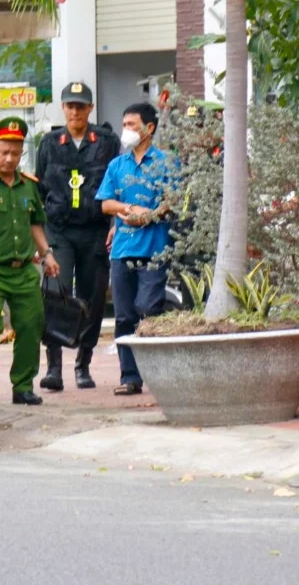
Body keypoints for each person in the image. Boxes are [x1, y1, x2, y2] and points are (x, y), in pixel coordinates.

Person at [34, 81, 121, 391]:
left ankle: (83, 364)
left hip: (94, 230)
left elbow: (116, 184)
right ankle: (53, 366)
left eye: (80, 106)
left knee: (93, 297)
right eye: (70, 105)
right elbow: (39, 190)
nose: (75, 111)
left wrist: (114, 224)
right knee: (55, 293)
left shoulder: (107, 142)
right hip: (60, 230)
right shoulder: (49, 143)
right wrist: (40, 240)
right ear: (63, 108)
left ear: (90, 109)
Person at [0, 116, 61, 406]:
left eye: (15, 153)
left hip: (24, 271)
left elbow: (35, 223)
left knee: (32, 324)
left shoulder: (28, 186)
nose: (9, 159)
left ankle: (22, 386)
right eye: (3, 152)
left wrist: (47, 254)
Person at [96, 102, 176, 395]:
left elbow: (173, 202)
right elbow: (106, 203)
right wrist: (129, 208)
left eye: (131, 124)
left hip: (154, 249)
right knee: (124, 315)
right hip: (122, 250)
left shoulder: (167, 163)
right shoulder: (117, 165)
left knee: (149, 308)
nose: (126, 130)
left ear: (149, 128)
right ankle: (130, 377)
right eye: (125, 124)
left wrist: (151, 215)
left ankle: (157, 372)